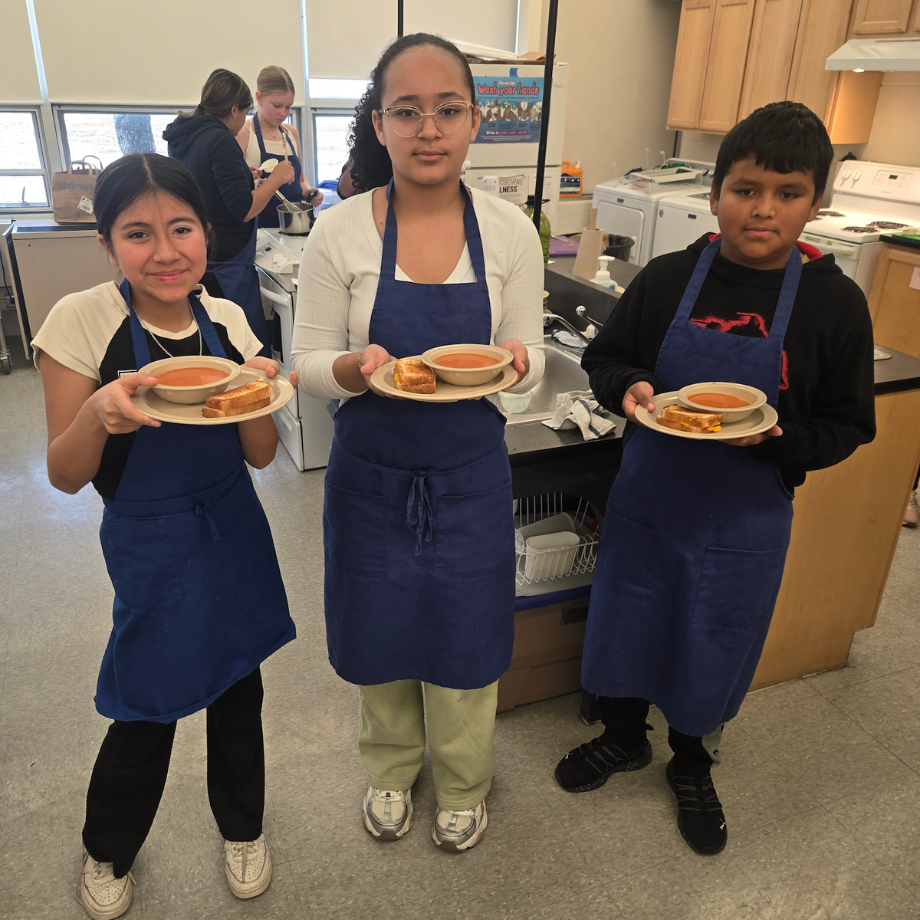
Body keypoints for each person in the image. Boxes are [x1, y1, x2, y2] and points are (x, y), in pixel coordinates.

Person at [554, 102, 876, 856]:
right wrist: (629, 385)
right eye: (746, 189)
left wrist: (780, 440)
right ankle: (624, 737)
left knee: (717, 637)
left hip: (745, 518)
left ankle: (693, 763)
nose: (763, 209)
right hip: (648, 503)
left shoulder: (834, 303)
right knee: (628, 621)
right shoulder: (669, 278)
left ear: (816, 203)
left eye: (788, 193)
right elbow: (606, 359)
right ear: (715, 192)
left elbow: (848, 425)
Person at [291, 33, 544, 851]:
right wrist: (357, 369)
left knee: (467, 634)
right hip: (371, 476)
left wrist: (519, 362)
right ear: (380, 123)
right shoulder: (338, 232)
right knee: (379, 629)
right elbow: (306, 363)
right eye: (406, 111)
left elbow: (533, 357)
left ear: (474, 121)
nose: (427, 129)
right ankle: (392, 769)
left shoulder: (511, 231)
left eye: (447, 110)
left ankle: (465, 781)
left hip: (469, 475)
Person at [31, 154, 297, 919]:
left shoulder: (228, 320)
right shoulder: (81, 321)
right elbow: (64, 474)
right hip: (149, 536)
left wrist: (261, 393)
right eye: (138, 233)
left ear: (205, 232)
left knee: (239, 685)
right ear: (107, 244)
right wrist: (97, 414)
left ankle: (242, 827)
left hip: (234, 525)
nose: (165, 251)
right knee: (148, 699)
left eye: (181, 228)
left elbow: (260, 456)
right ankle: (108, 848)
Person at [163, 68, 295, 351]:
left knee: (213, 339)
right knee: (241, 344)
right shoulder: (220, 139)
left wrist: (246, 177)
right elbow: (243, 209)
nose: (243, 120)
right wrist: (276, 178)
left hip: (205, 251)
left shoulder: (186, 133)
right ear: (234, 109)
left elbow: (208, 185)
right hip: (228, 263)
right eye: (245, 112)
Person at [235, 65, 323, 227]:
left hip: (294, 227)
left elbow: (300, 182)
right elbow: (236, 195)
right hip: (259, 229)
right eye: (277, 106)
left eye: (288, 107)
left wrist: (309, 193)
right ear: (259, 98)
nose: (283, 113)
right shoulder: (244, 133)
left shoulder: (291, 133)